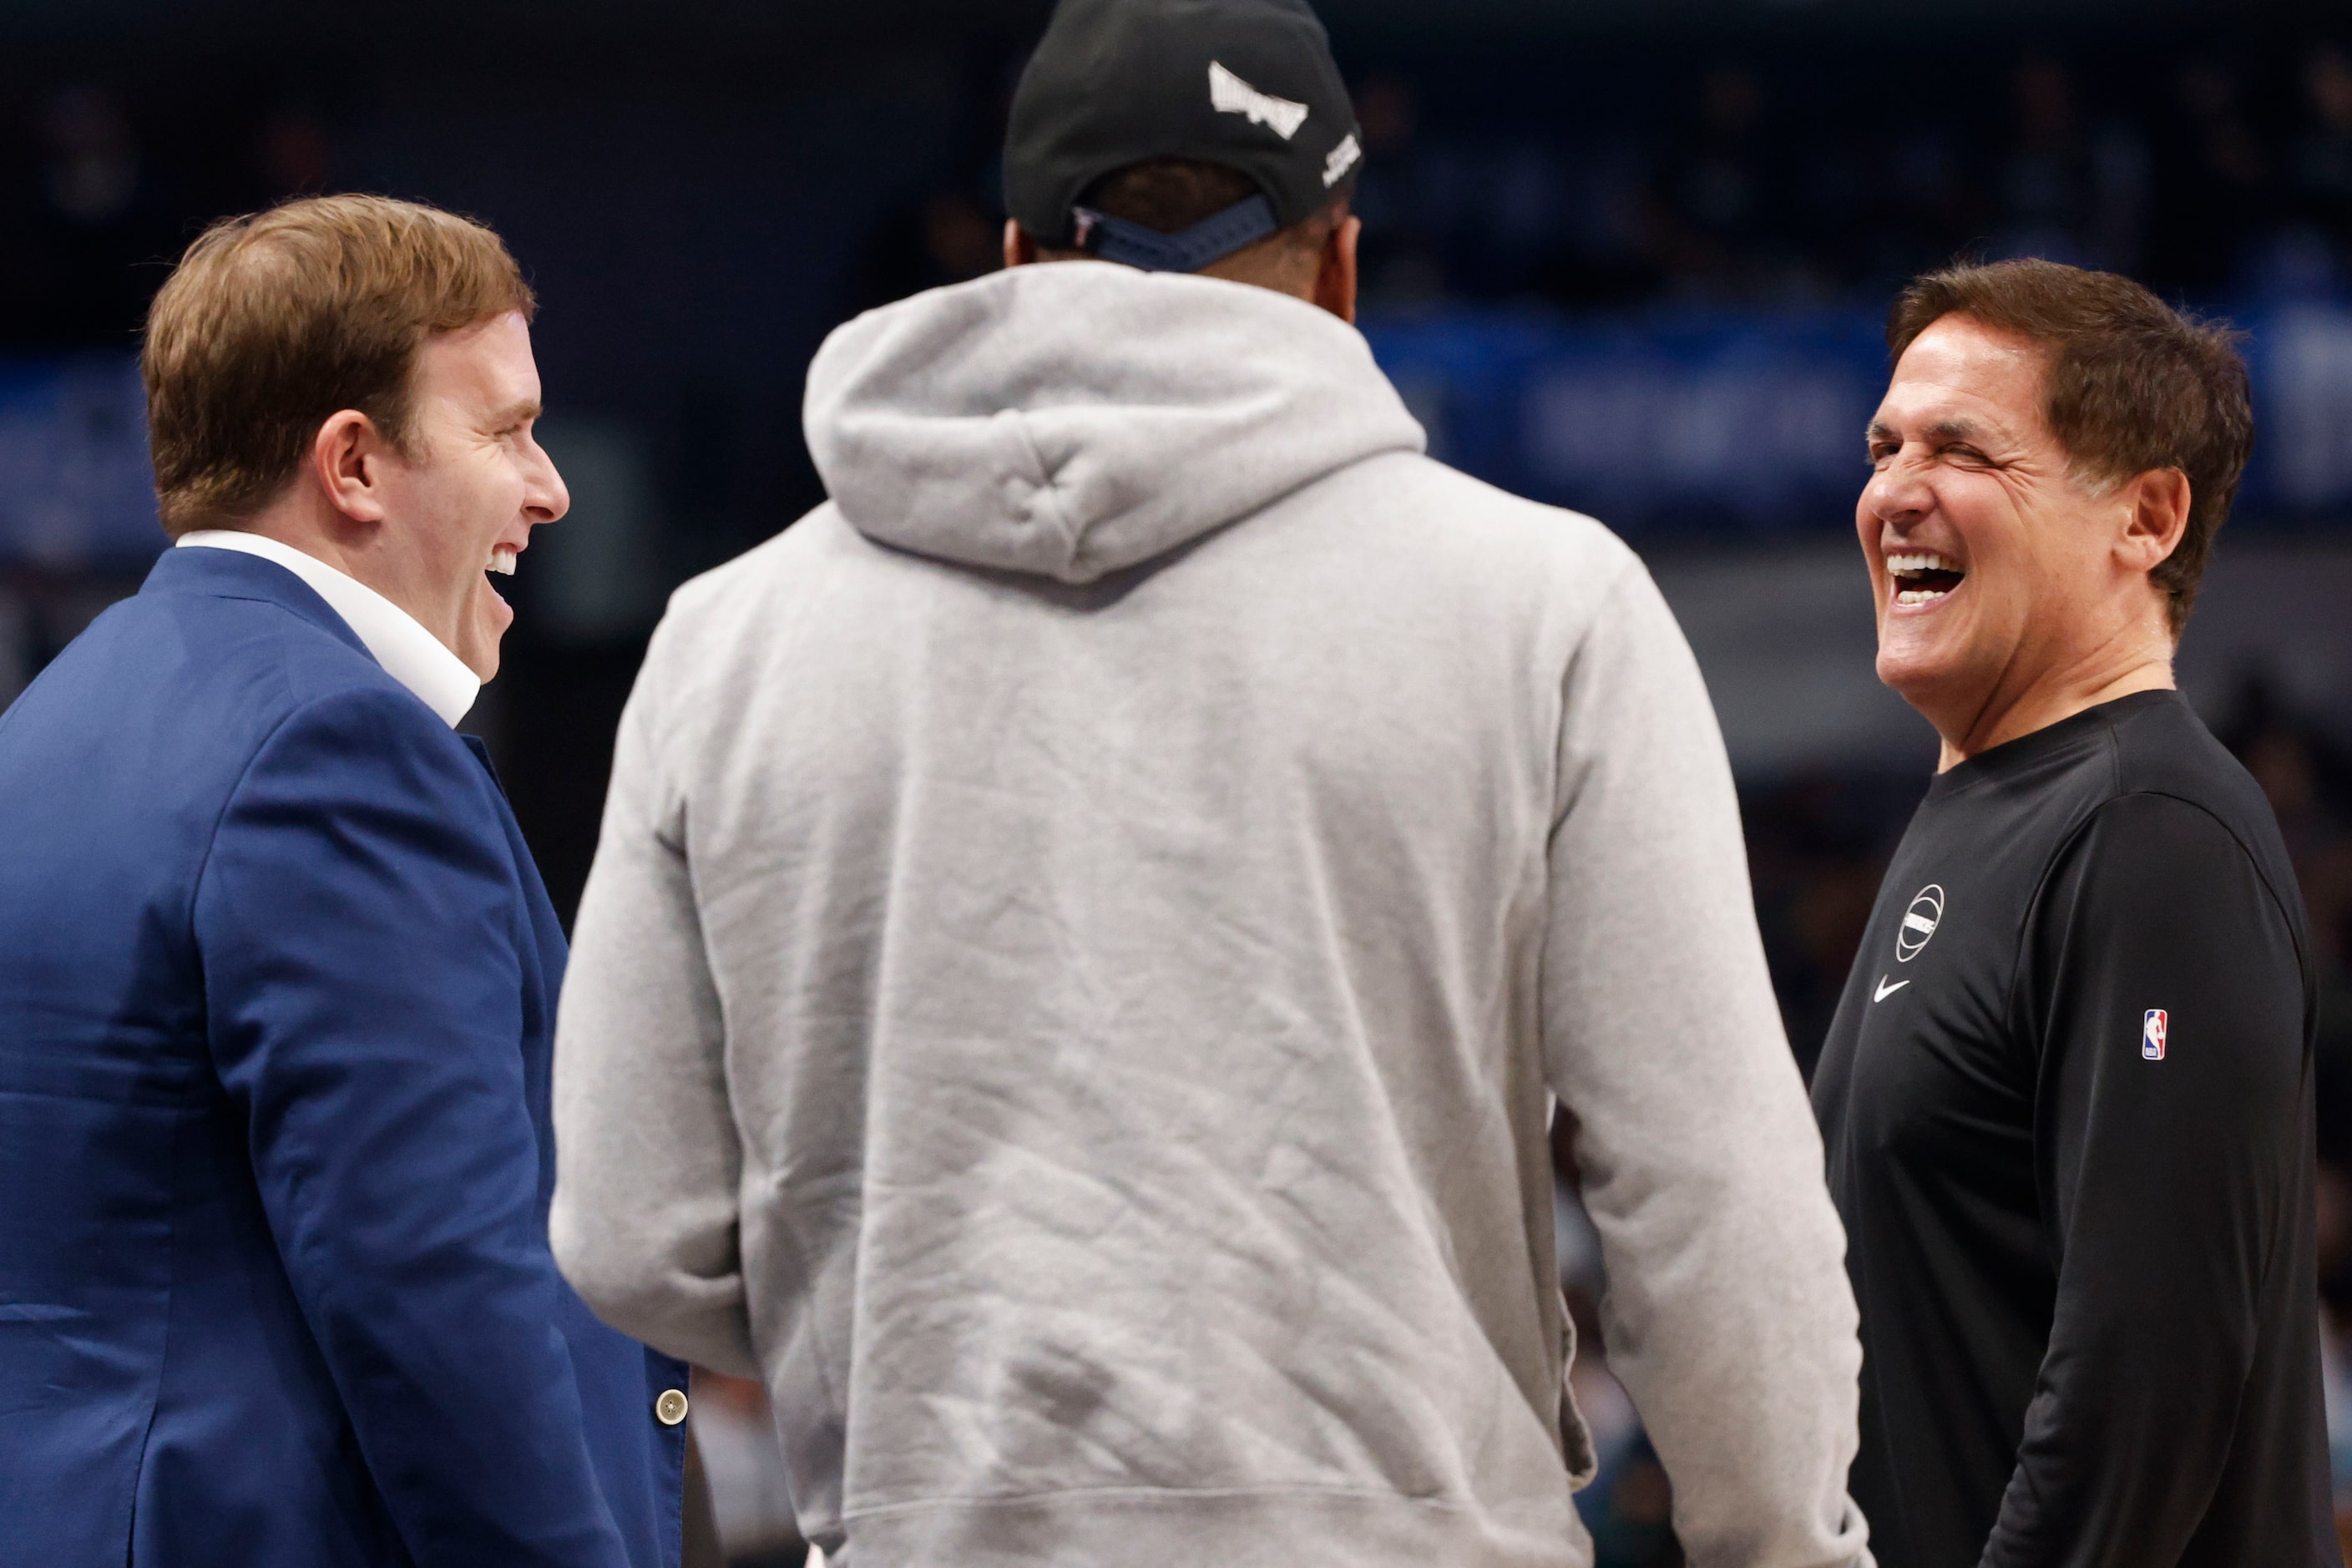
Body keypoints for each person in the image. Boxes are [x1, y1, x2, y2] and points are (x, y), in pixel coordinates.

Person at [551, 1, 1869, 1563]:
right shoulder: (1547, 604)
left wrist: (932, 1328)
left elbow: (633, 1231)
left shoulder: (730, 638)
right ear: (1343, 266)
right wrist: (1785, 1544)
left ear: (1021, 258)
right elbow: (1708, 1193)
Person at [0, 195, 686, 1565]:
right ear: (354, 465)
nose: (549, 488)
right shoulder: (338, 748)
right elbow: (436, 1300)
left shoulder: (55, 720)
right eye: (504, 430)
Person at [1810, 256, 2339, 1566]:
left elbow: (2143, 1376)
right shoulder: (1991, 810)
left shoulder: (2149, 834)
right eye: (1883, 445)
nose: (1894, 490)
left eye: (1965, 450)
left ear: (2145, 517)